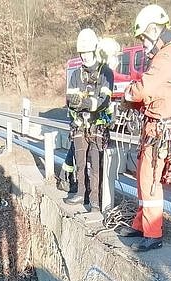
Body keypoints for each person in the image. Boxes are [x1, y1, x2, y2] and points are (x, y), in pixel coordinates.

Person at [116, 4, 171, 251]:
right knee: (143, 180)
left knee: (150, 183)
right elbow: (155, 93)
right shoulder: (167, 54)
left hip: (160, 130)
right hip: (155, 128)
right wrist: (137, 102)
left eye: (144, 38)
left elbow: (145, 87)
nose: (143, 44)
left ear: (155, 30)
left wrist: (129, 95)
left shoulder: (168, 55)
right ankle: (141, 226)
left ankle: (153, 234)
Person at [63, 28, 114, 212]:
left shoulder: (105, 72)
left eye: (87, 52)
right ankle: (80, 193)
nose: (84, 56)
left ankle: (94, 201)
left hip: (97, 127)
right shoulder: (76, 74)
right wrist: (78, 104)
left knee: (95, 166)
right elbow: (70, 100)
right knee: (80, 163)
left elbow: (104, 101)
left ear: (94, 50)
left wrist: (84, 102)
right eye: (82, 53)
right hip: (79, 126)